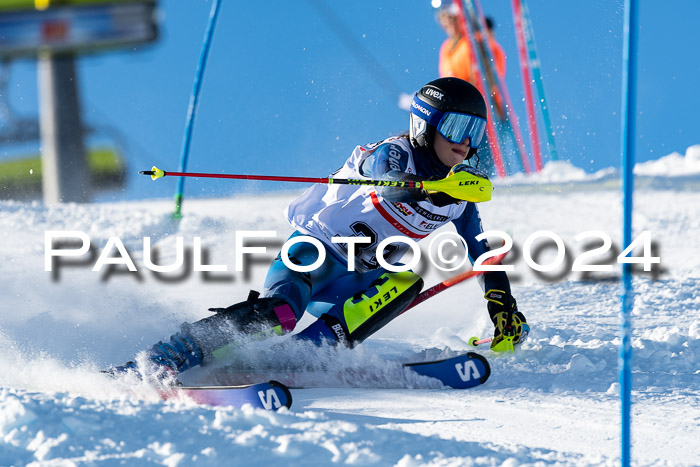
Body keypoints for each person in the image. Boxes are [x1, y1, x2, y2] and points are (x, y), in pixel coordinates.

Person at [110, 77, 528, 378]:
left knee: (405, 281)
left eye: (475, 131)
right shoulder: (392, 154)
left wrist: (500, 303)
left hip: (358, 277)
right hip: (313, 255)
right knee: (281, 313)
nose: (466, 142)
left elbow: (480, 251)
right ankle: (168, 354)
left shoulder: (461, 193)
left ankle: (304, 356)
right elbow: (393, 187)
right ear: (426, 124)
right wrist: (436, 192)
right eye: (457, 127)